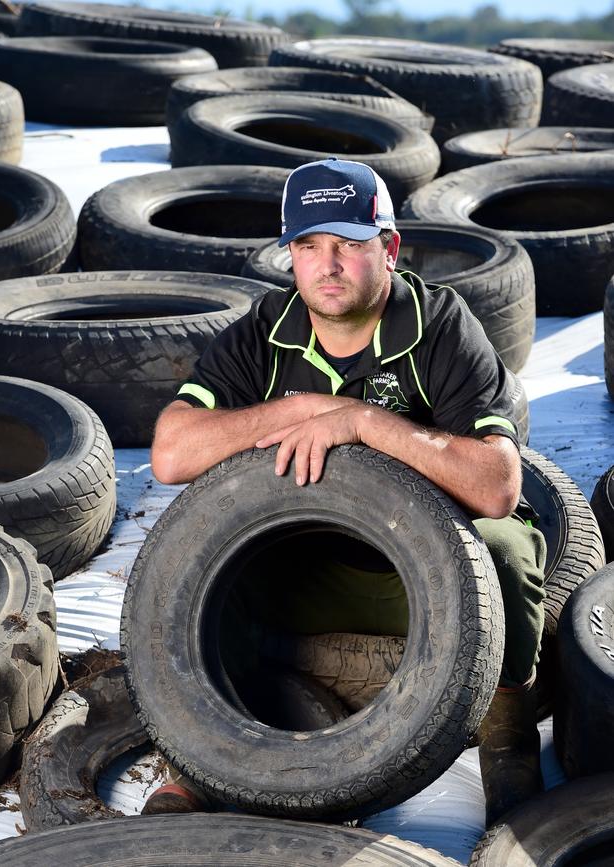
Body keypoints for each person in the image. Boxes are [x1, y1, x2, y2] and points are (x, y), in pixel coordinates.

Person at [145, 157, 547, 826]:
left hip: (430, 576)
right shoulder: (264, 332)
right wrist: (302, 412)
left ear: (388, 249)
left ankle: (508, 736)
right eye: (309, 246)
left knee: (506, 547)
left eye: (349, 245)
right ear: (290, 256)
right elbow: (170, 450)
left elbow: (501, 485)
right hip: (306, 571)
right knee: (191, 552)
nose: (328, 264)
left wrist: (363, 422)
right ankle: (199, 758)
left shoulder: (439, 324)